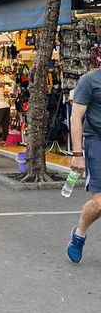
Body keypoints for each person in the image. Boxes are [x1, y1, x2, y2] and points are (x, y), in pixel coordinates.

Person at [66, 68, 101, 262]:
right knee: (99, 204)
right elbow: (76, 117)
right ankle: (79, 234)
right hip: (97, 141)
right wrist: (78, 153)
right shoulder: (89, 80)